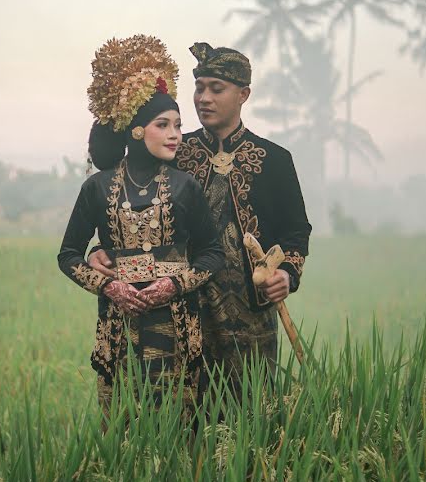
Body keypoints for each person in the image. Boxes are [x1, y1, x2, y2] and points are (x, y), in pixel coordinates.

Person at [90, 41, 311, 400]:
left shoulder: (274, 160)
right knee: (184, 421)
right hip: (181, 313)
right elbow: (132, 208)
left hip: (251, 321)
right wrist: (103, 248)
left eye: (216, 88)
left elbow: (296, 231)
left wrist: (287, 272)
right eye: (199, 87)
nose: (203, 98)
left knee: (249, 421)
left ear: (244, 94)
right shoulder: (175, 152)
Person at [57, 35, 224, 419]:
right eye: (163, 125)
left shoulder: (186, 186)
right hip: (118, 327)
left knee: (176, 430)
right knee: (122, 427)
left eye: (179, 126)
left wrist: (174, 284)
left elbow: (213, 254)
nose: (175, 135)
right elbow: (68, 255)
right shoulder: (96, 188)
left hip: (178, 326)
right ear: (136, 130)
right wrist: (109, 286)